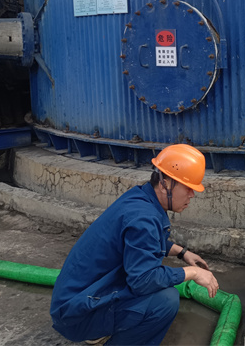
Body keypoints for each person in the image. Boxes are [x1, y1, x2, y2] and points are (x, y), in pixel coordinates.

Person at [50, 144, 219, 345]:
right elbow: (143, 280)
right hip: (75, 314)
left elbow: (142, 243)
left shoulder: (141, 198)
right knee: (165, 301)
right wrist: (193, 273)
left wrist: (182, 252)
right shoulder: (143, 218)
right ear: (165, 183)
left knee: (153, 285)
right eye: (188, 187)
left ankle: (101, 325)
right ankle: (98, 326)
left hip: (74, 299)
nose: (192, 195)